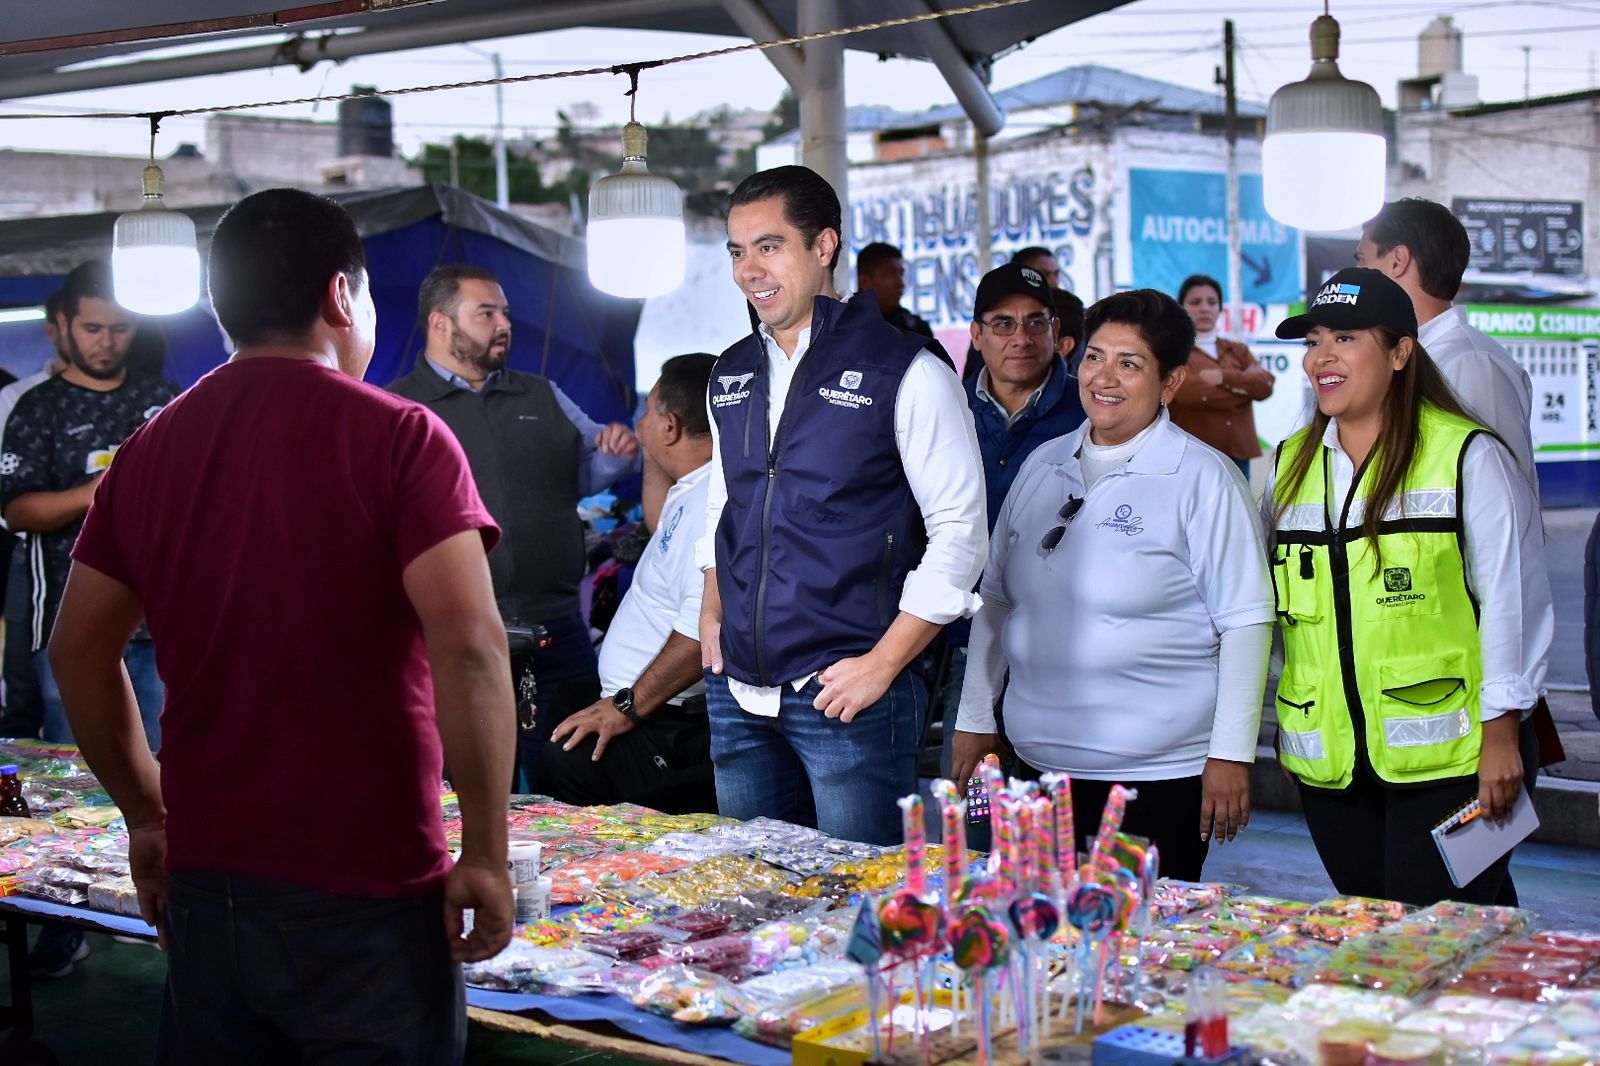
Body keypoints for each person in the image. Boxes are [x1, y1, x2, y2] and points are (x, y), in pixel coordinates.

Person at [49, 188, 515, 1062]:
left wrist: (148, 818)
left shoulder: (151, 451)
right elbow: (472, 651)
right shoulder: (400, 436)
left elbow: (78, 652)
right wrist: (486, 853)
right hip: (369, 889)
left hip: (208, 882)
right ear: (343, 298)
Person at [698, 165, 987, 846]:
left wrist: (885, 665)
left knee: (862, 917)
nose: (749, 270)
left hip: (848, 694)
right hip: (737, 693)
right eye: (737, 252)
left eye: (769, 247)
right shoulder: (731, 369)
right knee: (752, 910)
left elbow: (962, 535)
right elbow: (724, 503)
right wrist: (710, 611)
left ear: (823, 245)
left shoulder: (907, 369)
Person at [952, 289, 1273, 881]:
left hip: (1157, 777)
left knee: (1137, 950)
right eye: (1095, 357)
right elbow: (995, 597)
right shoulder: (1044, 463)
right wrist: (976, 718)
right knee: (1037, 933)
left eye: (1130, 363)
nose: (1105, 377)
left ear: (1171, 382)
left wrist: (1230, 753)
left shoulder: (1202, 477)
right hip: (1038, 767)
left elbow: (1247, 621)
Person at [1267, 267, 1551, 906]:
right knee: (1372, 933)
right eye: (1313, 341)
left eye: (1344, 337)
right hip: (1331, 761)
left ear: (1400, 352)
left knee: (1452, 933)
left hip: (1454, 758)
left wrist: (1503, 733)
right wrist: (1292, 729)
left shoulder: (1467, 454)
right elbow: (1281, 611)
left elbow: (1515, 599)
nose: (1323, 357)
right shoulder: (1290, 465)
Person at [388, 263, 640, 790]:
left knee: (574, 777)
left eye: (504, 311)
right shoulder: (398, 410)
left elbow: (589, 471)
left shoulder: (543, 395)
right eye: (486, 313)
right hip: (454, 638)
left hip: (556, 631)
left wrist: (616, 455)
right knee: (466, 789)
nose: (503, 323)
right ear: (440, 324)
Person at [0, 261, 175, 751]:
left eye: (119, 329)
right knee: (80, 766)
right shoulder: (39, 406)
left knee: (163, 763)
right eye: (93, 329)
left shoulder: (162, 399)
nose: (106, 341)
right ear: (64, 327)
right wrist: (102, 489)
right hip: (69, 620)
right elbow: (17, 511)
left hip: (158, 618)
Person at [541, 354, 719, 814]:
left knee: (565, 764)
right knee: (561, 704)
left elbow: (704, 631)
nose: (638, 419)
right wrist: (651, 445)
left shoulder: (712, 506)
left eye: (649, 410)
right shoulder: (695, 483)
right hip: (646, 706)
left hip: (668, 719)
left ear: (671, 426)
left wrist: (624, 708)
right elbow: (663, 524)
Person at [937, 263, 1088, 789]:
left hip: (1064, 644)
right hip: (963, 637)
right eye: (1003, 324)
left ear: (1056, 333)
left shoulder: (1090, 411)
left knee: (1058, 819)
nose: (1020, 338)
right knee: (975, 807)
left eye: (1035, 322)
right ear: (976, 334)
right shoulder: (946, 409)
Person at [1355, 198, 1537, 494]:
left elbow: (1499, 495)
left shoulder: (1472, 364)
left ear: (1398, 260)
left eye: (1362, 260)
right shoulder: (1407, 355)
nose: (1355, 275)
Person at [0, 290, 67, 741]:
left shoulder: (144, 396)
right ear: (56, 329)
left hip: (84, 550)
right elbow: (13, 504)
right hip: (26, 548)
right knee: (25, 681)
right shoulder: (19, 397)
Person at [1167, 274, 1274, 478]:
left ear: (1220, 308)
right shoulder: (1174, 352)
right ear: (1182, 307)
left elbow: (1265, 386)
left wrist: (1223, 377)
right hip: (1193, 456)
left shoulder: (1238, 350)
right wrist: (1245, 389)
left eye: (1212, 302)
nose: (1205, 308)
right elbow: (1189, 394)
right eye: (1196, 302)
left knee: (1238, 510)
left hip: (1238, 456)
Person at [854, 242, 953, 368]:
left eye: (901, 274)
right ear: (865, 282)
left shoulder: (916, 329)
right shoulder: (843, 326)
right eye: (891, 274)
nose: (901, 284)